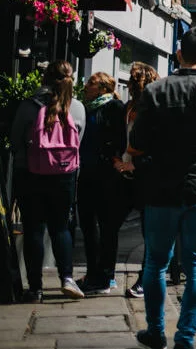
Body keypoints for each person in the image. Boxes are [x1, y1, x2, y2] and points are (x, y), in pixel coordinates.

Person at [124, 24, 196, 349]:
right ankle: (186, 338)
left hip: (161, 188)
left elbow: (137, 142)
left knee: (156, 263)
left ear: (178, 54)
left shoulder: (156, 92)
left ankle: (156, 331)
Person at [9, 60, 86, 300]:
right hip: (65, 175)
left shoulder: (28, 106)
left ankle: (35, 289)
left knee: (33, 229)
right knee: (60, 228)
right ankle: (67, 278)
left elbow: (14, 140)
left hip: (30, 173)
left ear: (44, 78)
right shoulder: (78, 108)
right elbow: (78, 142)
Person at [78, 71, 129, 294]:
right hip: (86, 173)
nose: (86, 86)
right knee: (88, 226)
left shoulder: (114, 108)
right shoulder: (85, 108)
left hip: (107, 176)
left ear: (102, 88)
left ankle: (106, 277)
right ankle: (93, 273)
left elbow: (120, 139)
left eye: (91, 83)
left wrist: (113, 159)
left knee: (107, 227)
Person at [123, 61, 160, 300]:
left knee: (150, 231)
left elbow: (153, 147)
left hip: (146, 174)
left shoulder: (153, 110)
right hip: (126, 172)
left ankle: (146, 279)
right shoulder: (129, 106)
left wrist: (134, 161)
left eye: (133, 80)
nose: (129, 83)